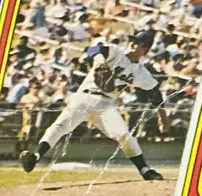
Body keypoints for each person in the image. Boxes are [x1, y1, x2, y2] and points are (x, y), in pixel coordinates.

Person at [19, 30, 170, 181]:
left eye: (138, 43)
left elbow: (155, 92)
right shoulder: (116, 52)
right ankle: (35, 157)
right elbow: (94, 49)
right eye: (132, 40)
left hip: (106, 104)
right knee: (60, 125)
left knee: (124, 135)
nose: (132, 44)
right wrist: (100, 59)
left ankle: (145, 170)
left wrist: (162, 117)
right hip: (84, 97)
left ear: (145, 49)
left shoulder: (140, 72)